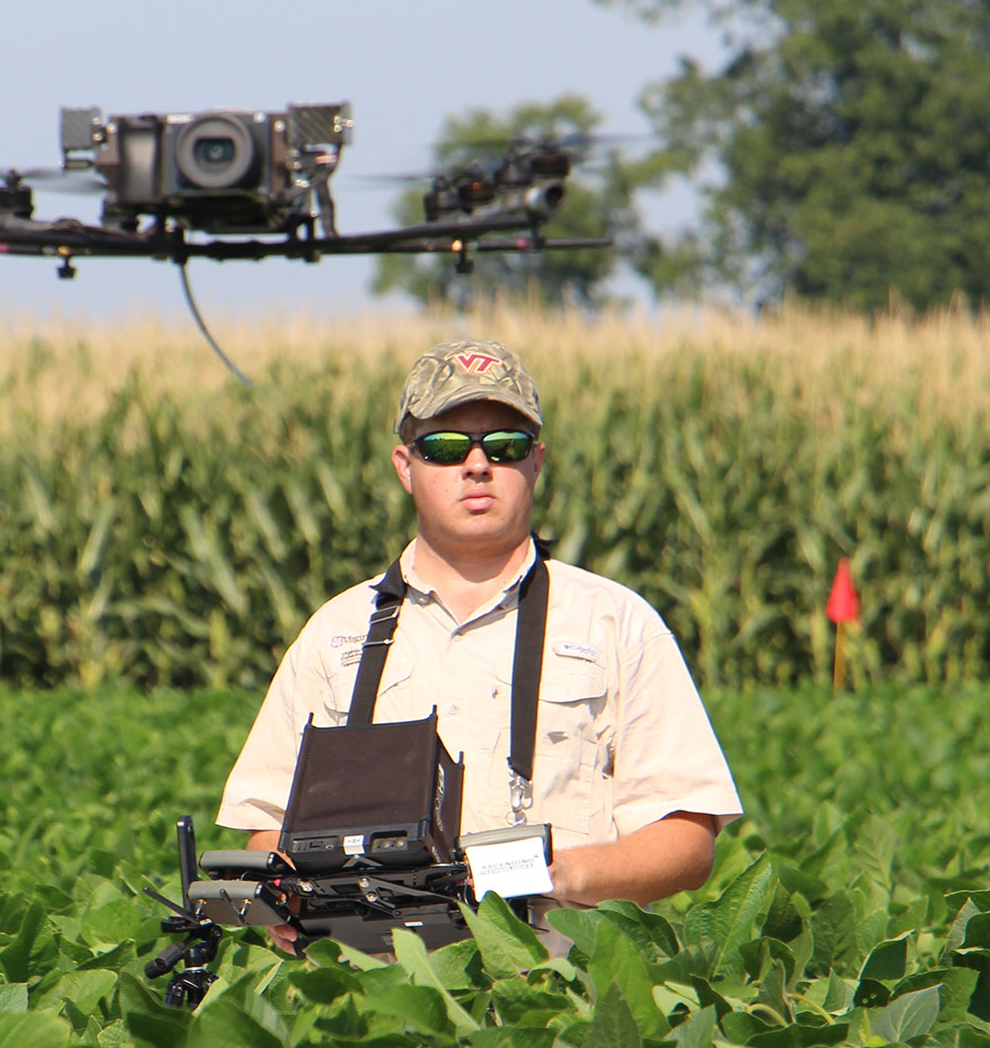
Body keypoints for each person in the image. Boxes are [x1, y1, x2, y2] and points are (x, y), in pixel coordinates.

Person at [217, 338, 741, 940]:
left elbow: (687, 840)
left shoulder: (616, 622)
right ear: (404, 466)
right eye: (443, 446)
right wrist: (287, 900)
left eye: (505, 445)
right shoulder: (336, 633)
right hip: (379, 995)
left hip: (559, 993)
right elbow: (270, 827)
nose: (476, 464)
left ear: (536, 463)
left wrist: (560, 875)